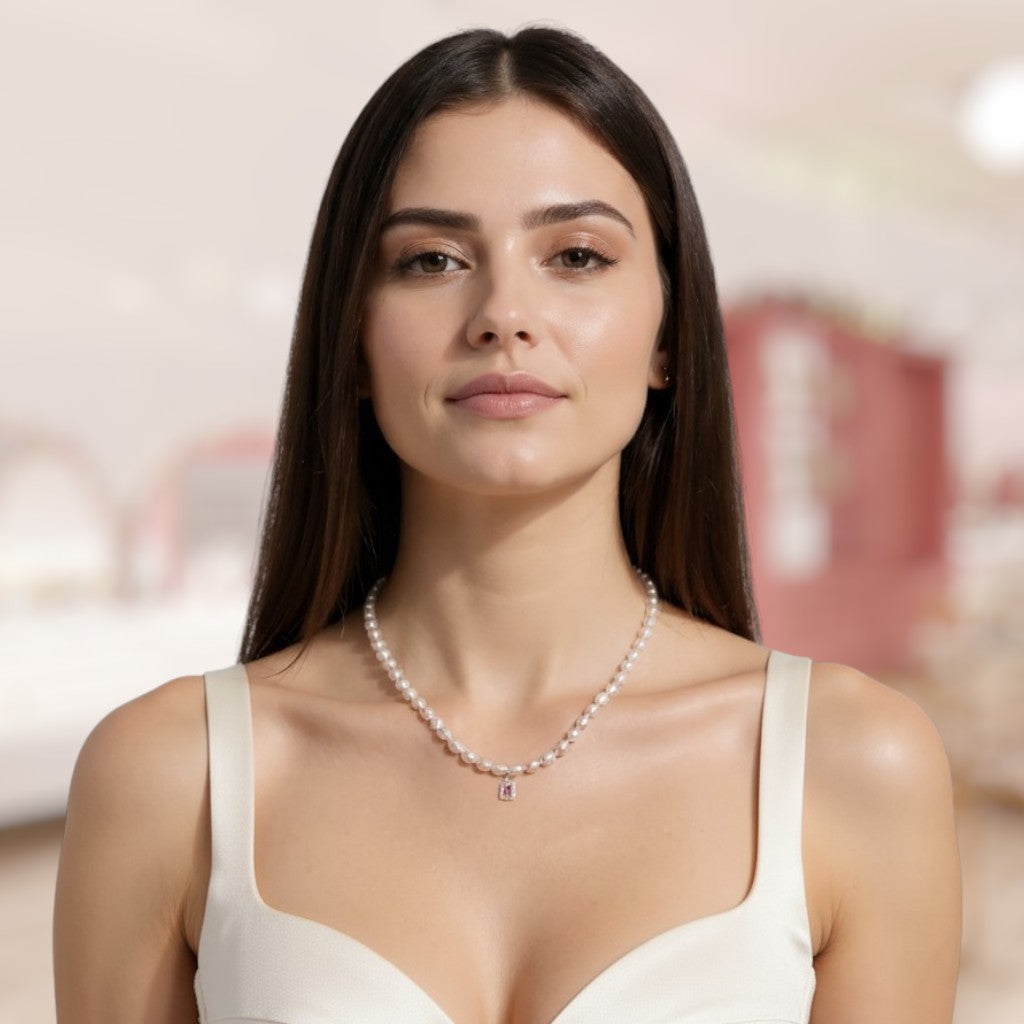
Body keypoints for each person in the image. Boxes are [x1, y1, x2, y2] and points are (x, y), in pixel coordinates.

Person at [53, 25, 961, 1024]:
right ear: (349, 338)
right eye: (432, 259)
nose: (503, 314)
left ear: (669, 333)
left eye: (575, 254)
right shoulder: (169, 777)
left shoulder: (849, 765)